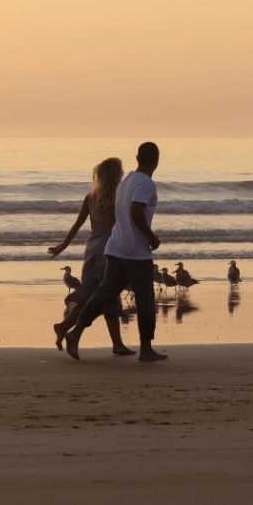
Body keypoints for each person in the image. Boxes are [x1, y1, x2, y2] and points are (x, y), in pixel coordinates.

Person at [63, 141, 167, 362]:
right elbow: (136, 212)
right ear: (156, 160)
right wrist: (151, 237)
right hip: (135, 252)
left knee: (104, 296)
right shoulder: (145, 183)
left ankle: (75, 332)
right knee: (146, 299)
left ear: (137, 158)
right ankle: (146, 349)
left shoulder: (127, 181)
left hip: (115, 248)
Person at [48, 158, 134, 355]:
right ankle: (66, 326)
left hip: (93, 250)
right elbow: (116, 229)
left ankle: (117, 344)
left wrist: (64, 245)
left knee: (107, 296)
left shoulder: (91, 196)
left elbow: (77, 224)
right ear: (115, 175)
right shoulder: (117, 199)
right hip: (108, 251)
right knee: (98, 296)